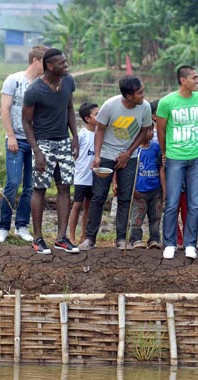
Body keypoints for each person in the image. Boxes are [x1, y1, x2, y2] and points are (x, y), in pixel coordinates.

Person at [78, 76, 153, 251]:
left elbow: (144, 130)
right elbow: (100, 130)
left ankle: (120, 238)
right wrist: (97, 156)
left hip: (129, 157)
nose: (143, 95)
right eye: (139, 92)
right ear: (128, 95)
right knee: (98, 197)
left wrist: (128, 152)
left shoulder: (145, 107)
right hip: (106, 155)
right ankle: (90, 238)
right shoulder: (110, 106)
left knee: (125, 198)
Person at [22, 48, 79, 255]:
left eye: (66, 62)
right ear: (50, 66)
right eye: (62, 63)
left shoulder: (68, 81)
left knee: (64, 188)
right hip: (43, 143)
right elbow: (26, 122)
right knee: (40, 189)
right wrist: (36, 150)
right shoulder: (34, 90)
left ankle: (62, 238)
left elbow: (69, 109)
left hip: (64, 141)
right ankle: (37, 239)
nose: (66, 66)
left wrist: (75, 137)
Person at [0, 45, 47, 244]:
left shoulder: (43, 84)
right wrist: (11, 136)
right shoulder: (14, 80)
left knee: (30, 187)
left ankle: (22, 225)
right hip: (16, 140)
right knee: (12, 183)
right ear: (35, 61)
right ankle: (3, 226)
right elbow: (5, 109)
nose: (47, 67)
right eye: (45, 63)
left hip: (35, 142)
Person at [156, 65, 198, 260]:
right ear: (183, 80)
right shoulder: (167, 102)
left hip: (196, 157)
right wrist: (165, 152)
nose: (197, 81)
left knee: (194, 204)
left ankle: (190, 243)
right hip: (175, 157)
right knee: (172, 202)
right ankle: (169, 243)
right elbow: (161, 130)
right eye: (194, 78)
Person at [129, 123, 165, 249]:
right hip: (140, 191)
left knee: (155, 217)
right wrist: (132, 189)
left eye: (151, 130)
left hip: (155, 190)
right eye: (147, 130)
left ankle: (154, 239)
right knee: (137, 218)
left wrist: (163, 189)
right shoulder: (134, 151)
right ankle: (135, 239)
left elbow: (160, 168)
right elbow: (129, 172)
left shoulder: (156, 148)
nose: (151, 133)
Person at [68, 102, 98, 244]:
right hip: (81, 177)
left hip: (95, 177)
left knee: (89, 206)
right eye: (96, 114)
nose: (100, 116)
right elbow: (74, 154)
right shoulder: (82, 135)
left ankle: (84, 235)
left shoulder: (100, 134)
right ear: (87, 118)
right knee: (77, 205)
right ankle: (71, 236)